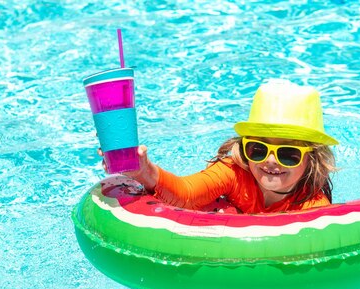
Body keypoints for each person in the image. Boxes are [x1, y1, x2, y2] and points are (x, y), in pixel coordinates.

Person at [100, 79, 339, 214]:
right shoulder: (235, 172)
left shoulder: (312, 206)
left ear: (312, 159)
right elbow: (187, 193)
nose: (271, 161)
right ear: (244, 148)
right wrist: (143, 170)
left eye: (288, 154)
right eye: (258, 148)